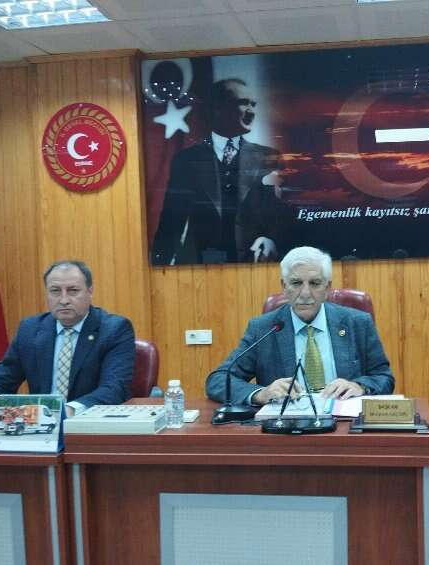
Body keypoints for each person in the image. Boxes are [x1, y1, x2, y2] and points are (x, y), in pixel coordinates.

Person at [0, 260, 135, 429]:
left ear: (90, 292)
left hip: (90, 427)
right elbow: (0, 382)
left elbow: (114, 388)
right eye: (55, 291)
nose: (63, 300)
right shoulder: (30, 329)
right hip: (37, 430)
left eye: (73, 291)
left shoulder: (114, 329)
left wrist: (65, 411)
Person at [206, 246, 395, 405]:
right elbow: (218, 380)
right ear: (284, 286)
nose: (305, 293)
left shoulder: (357, 323)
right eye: (296, 283)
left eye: (315, 283)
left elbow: (383, 377)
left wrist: (359, 386)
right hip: (285, 428)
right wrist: (261, 393)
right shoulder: (263, 329)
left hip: (344, 425)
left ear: (327, 288)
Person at [151, 77, 285, 265]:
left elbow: (281, 213)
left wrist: (271, 239)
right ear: (218, 108)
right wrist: (160, 266)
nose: (251, 111)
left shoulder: (269, 157)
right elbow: (171, 221)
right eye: (243, 103)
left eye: (253, 104)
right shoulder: (186, 160)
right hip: (204, 268)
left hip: (257, 265)